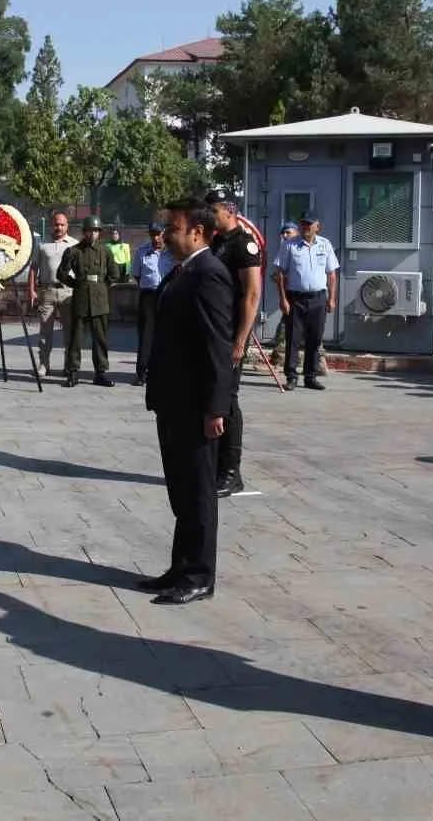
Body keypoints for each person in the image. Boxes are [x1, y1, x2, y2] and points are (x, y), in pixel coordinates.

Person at [138, 197, 234, 606]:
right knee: (181, 491)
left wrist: (216, 407)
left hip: (196, 405)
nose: (165, 235)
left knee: (198, 493)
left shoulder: (209, 274)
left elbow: (216, 345)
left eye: (172, 228)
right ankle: (180, 567)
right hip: (174, 401)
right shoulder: (182, 271)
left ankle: (199, 575)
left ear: (196, 231)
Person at [204, 190, 263, 497]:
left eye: (213, 209)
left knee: (227, 399)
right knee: (211, 395)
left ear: (229, 211)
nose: (210, 215)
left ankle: (231, 471)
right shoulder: (217, 242)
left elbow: (252, 295)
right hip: (213, 330)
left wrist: (240, 340)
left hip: (230, 333)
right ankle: (213, 466)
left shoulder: (244, 244)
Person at [272, 213, 339, 390]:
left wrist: (332, 299)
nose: (306, 227)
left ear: (318, 226)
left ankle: (310, 376)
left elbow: (331, 274)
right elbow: (279, 273)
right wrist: (283, 299)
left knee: (314, 339)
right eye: (303, 224)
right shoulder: (289, 245)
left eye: (309, 224)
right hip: (296, 299)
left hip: (318, 298)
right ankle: (291, 377)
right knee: (293, 339)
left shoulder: (325, 245)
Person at [56, 215, 124, 386]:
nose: (92, 234)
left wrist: (101, 285)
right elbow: (61, 273)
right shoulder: (74, 251)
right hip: (80, 300)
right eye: (89, 230)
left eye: (95, 231)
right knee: (76, 339)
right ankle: (73, 372)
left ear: (99, 233)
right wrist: (76, 283)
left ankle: (100, 372)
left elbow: (115, 274)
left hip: (100, 302)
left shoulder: (105, 251)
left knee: (100, 339)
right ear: (84, 232)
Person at [27, 212, 76, 376]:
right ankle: (43, 364)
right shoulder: (42, 245)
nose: (59, 227)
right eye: (56, 224)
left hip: (68, 293)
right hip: (47, 291)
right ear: (51, 225)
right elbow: (33, 268)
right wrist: (32, 290)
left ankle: (69, 365)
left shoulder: (74, 245)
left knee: (69, 332)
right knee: (45, 332)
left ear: (67, 226)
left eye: (62, 224)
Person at [130, 223, 173, 386]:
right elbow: (137, 275)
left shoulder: (172, 252)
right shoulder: (142, 252)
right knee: (146, 336)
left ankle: (165, 371)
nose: (156, 238)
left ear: (164, 233)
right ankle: (142, 372)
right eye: (152, 235)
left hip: (168, 296)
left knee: (167, 335)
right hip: (149, 296)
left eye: (158, 234)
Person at [268, 221, 299, 370]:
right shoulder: (285, 249)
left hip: (302, 295)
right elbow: (279, 272)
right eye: (283, 233)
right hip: (289, 296)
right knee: (285, 327)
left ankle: (319, 362)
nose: (285, 236)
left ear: (296, 233)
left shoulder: (300, 248)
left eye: (289, 232)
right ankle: (278, 359)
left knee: (289, 328)